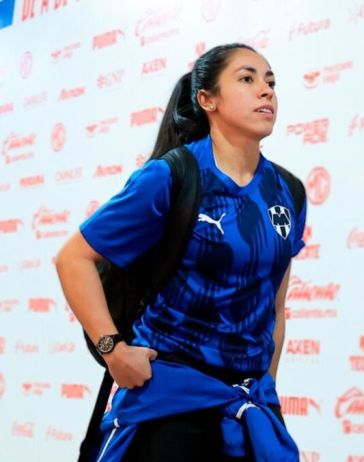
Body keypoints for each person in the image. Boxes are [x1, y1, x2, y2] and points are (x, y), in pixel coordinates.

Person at [55, 43, 307, 461]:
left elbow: (275, 306)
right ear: (207, 100)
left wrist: (267, 390)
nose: (265, 90)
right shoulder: (171, 176)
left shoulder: (289, 192)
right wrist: (113, 351)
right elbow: (73, 258)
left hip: (249, 408)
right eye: (247, 79)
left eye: (270, 81)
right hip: (169, 406)